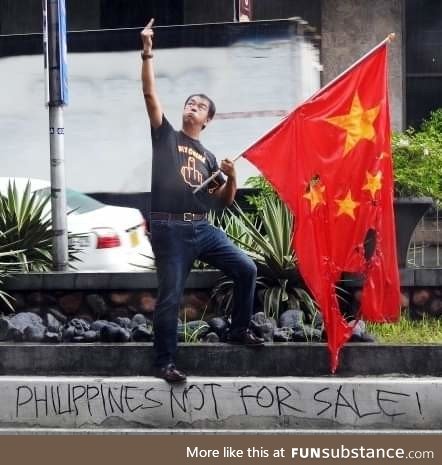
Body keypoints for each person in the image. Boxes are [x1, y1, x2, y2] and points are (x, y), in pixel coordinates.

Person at [141, 18, 264, 383]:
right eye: (189, 103)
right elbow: (150, 96)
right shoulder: (165, 137)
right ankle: (164, 362)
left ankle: (238, 329)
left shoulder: (209, 157)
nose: (192, 107)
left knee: (247, 269)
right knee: (171, 295)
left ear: (207, 120)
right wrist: (147, 53)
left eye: (199, 106)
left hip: (202, 227)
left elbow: (222, 202)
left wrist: (231, 175)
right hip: (169, 226)